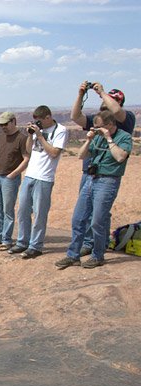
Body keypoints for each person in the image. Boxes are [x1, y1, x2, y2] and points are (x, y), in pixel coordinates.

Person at [55, 110, 132, 270]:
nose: (95, 129)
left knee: (97, 221)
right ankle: (73, 255)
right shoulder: (96, 137)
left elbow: (120, 157)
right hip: (91, 179)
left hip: (108, 181)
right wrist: (89, 140)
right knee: (78, 218)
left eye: (98, 127)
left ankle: (97, 256)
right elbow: (81, 155)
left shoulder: (124, 137)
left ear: (110, 125)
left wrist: (109, 138)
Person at [71, 82, 136, 256]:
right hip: (90, 172)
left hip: (108, 175)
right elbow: (76, 117)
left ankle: (96, 245)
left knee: (98, 215)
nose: (104, 103)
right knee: (86, 212)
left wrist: (101, 92)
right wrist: (80, 94)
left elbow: (115, 111)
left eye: (109, 101)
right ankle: (90, 242)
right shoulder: (98, 120)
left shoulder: (125, 118)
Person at [9, 106, 69, 258]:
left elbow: (54, 153)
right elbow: (29, 150)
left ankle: (35, 246)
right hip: (30, 175)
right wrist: (30, 135)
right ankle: (22, 242)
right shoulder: (38, 130)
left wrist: (40, 136)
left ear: (48, 117)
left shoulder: (60, 130)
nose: (38, 124)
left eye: (40, 121)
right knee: (22, 211)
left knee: (39, 214)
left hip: (44, 178)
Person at [0, 112, 29, 249]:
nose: (3, 127)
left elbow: (26, 158)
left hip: (10, 179)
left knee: (8, 210)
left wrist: (14, 174)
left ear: (13, 121)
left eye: (5, 124)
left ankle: (7, 239)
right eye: (1, 125)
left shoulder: (22, 138)